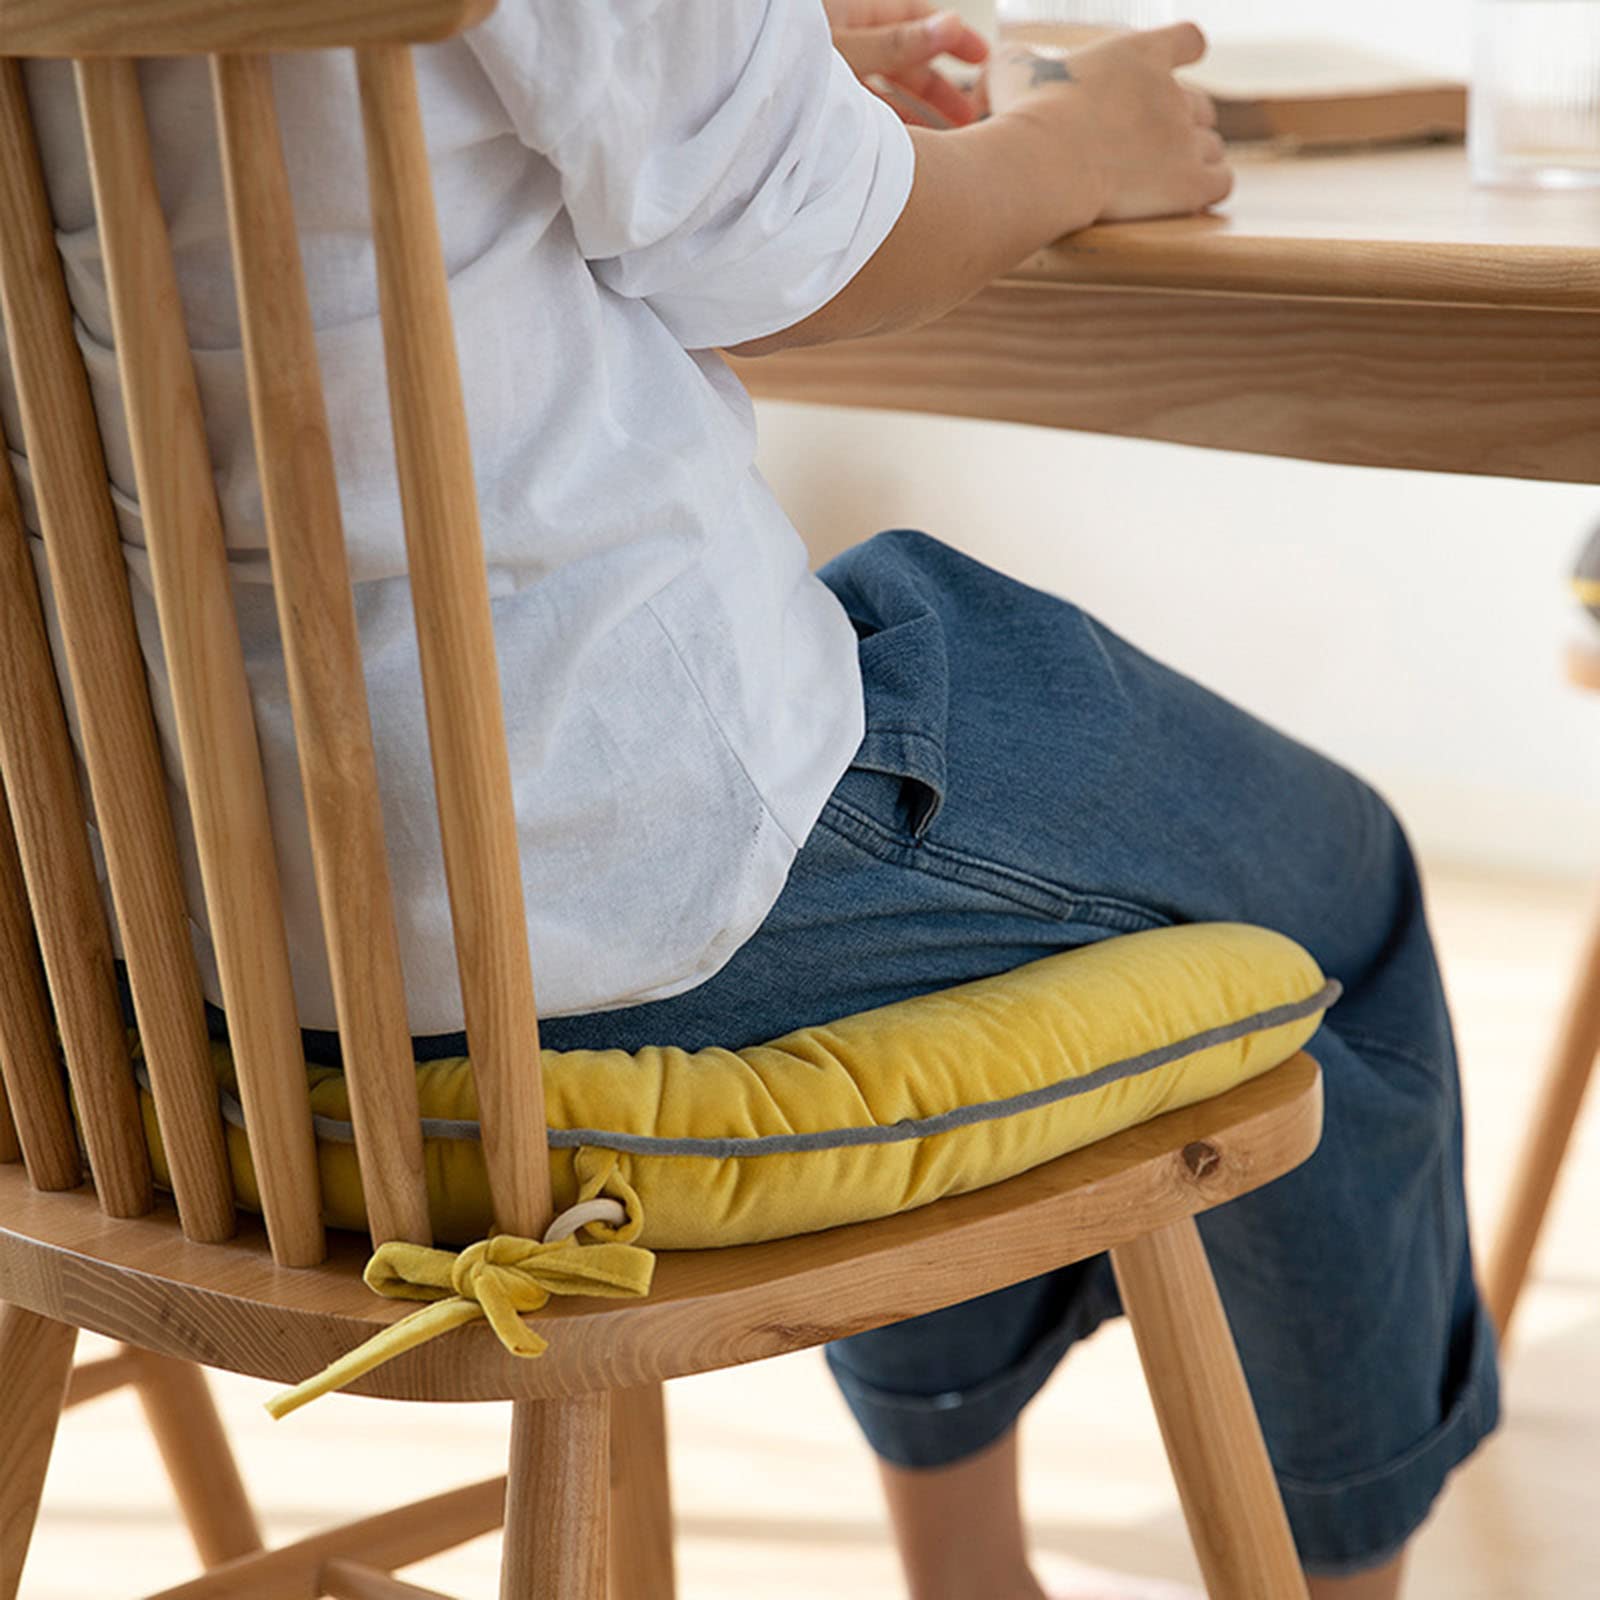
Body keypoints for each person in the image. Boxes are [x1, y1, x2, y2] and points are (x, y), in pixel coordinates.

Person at [2, 4, 1495, 1597]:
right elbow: (811, 257)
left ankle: (971, 1565)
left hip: (154, 964)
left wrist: (765, 82)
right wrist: (1084, 143)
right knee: (1333, 882)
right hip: (606, 907)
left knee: (919, 663)